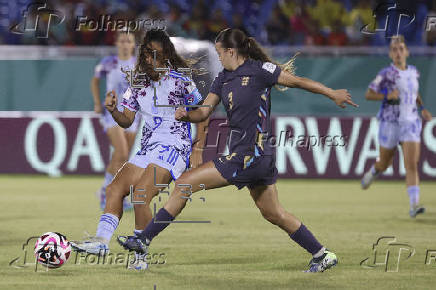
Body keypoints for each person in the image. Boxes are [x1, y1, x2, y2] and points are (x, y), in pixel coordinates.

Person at [117, 28, 358, 273]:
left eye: (220, 53)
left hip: (249, 156)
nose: (218, 58)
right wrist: (187, 115)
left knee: (185, 183)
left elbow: (298, 82)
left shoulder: (260, 71)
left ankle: (143, 239)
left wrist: (332, 93)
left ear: (231, 51)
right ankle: (322, 254)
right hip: (253, 159)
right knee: (273, 213)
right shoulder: (223, 78)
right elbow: (204, 111)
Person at [71, 30, 207, 270]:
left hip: (174, 145)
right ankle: (101, 242)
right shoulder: (138, 83)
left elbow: (203, 113)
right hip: (148, 147)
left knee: (141, 194)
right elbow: (126, 120)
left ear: (165, 55)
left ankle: (140, 258)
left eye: (153, 54)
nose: (147, 59)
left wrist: (196, 141)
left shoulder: (181, 80)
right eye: (145, 53)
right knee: (114, 188)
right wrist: (113, 111)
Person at [361, 35, 433, 218]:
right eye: (394, 49)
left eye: (401, 49)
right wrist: (386, 95)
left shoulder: (414, 72)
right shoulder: (386, 74)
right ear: (390, 54)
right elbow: (368, 94)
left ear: (407, 52)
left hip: (410, 122)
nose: (398, 52)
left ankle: (414, 205)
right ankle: (375, 170)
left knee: (411, 164)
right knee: (385, 163)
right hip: (390, 122)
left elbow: (413, 93)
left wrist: (422, 108)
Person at [91, 31, 139, 211]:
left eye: (129, 41)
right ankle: (108, 193)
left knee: (122, 157)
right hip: (112, 113)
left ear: (133, 45)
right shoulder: (108, 62)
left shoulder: (138, 65)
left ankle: (110, 191)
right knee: (121, 152)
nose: (125, 44)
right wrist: (97, 102)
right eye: (122, 41)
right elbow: (95, 81)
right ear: (117, 44)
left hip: (132, 115)